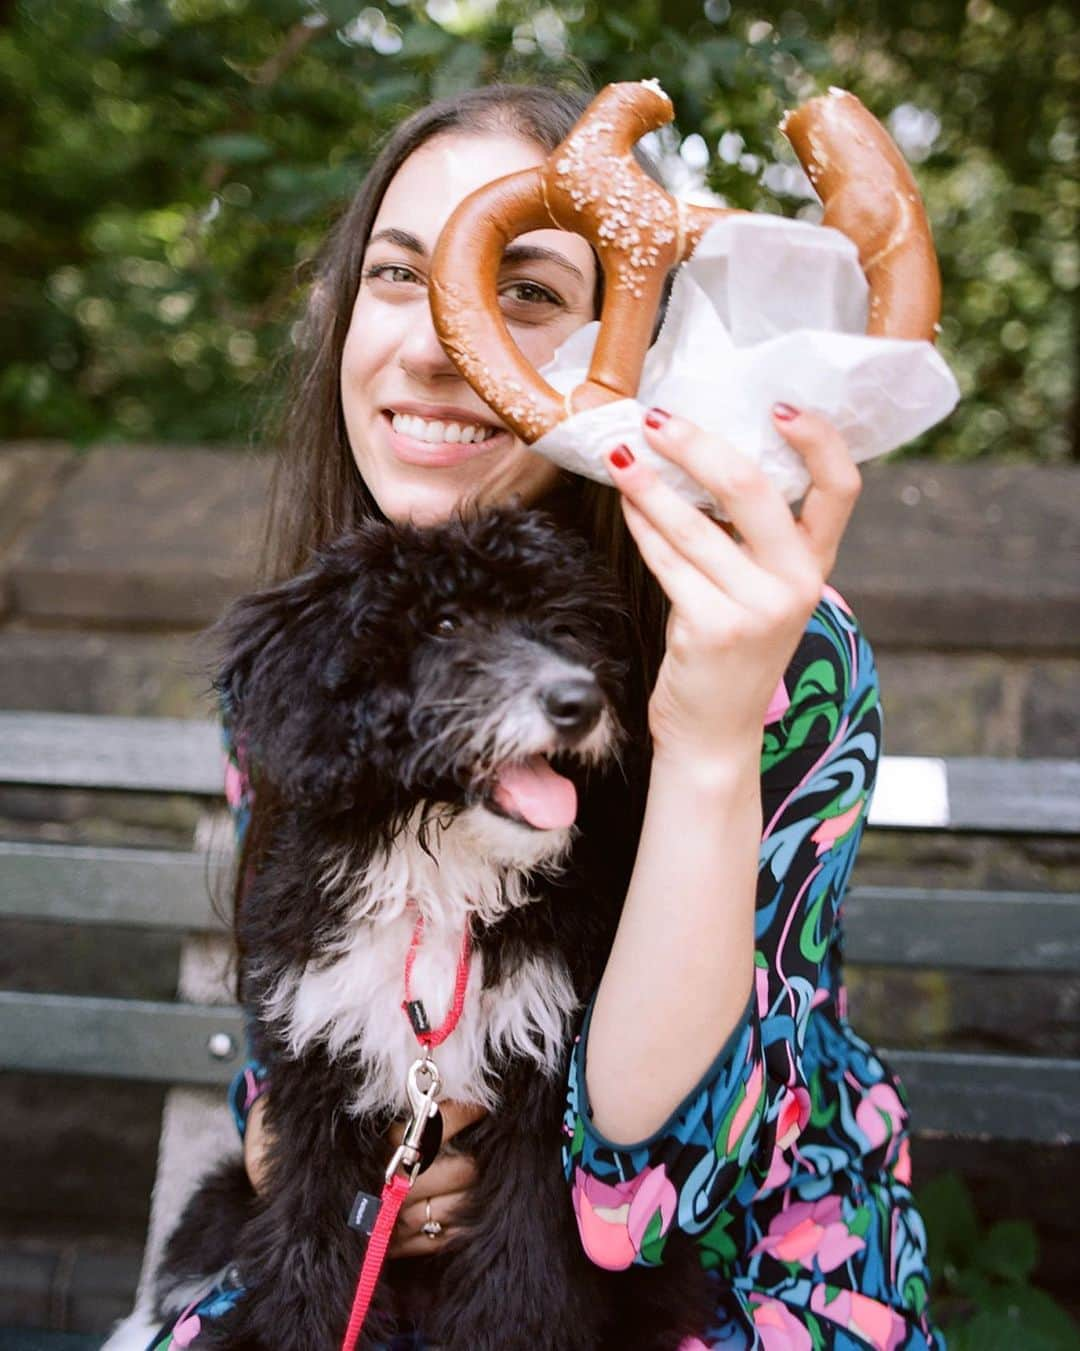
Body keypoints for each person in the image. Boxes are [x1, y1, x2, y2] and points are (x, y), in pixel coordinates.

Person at [150, 83, 943, 1351]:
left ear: (631, 354)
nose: (428, 344)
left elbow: (643, 1202)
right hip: (376, 1258)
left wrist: (712, 740)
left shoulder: (787, 651)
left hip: (717, 1273)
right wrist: (322, 1147)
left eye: (528, 297)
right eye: (395, 277)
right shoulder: (314, 643)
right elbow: (304, 1034)